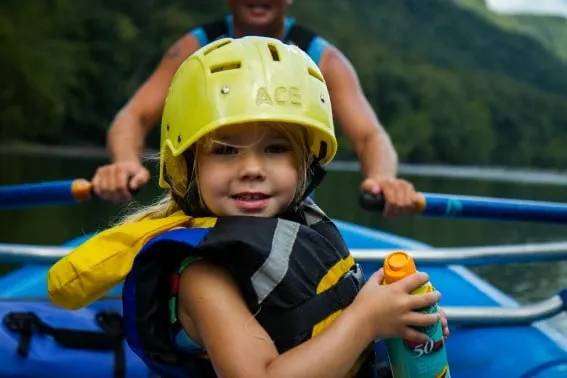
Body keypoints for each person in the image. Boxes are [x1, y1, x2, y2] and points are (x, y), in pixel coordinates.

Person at [49, 37, 448, 378]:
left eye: (275, 149)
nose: (252, 169)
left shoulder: (296, 226)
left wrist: (395, 318)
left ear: (305, 164)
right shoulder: (203, 276)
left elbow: (317, 319)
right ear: (187, 166)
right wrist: (364, 322)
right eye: (224, 151)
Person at [92, 0, 417, 217]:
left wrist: (382, 179)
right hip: (208, 209)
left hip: (288, 212)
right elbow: (133, 117)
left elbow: (370, 137)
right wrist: (124, 163)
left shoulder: (324, 59)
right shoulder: (193, 48)